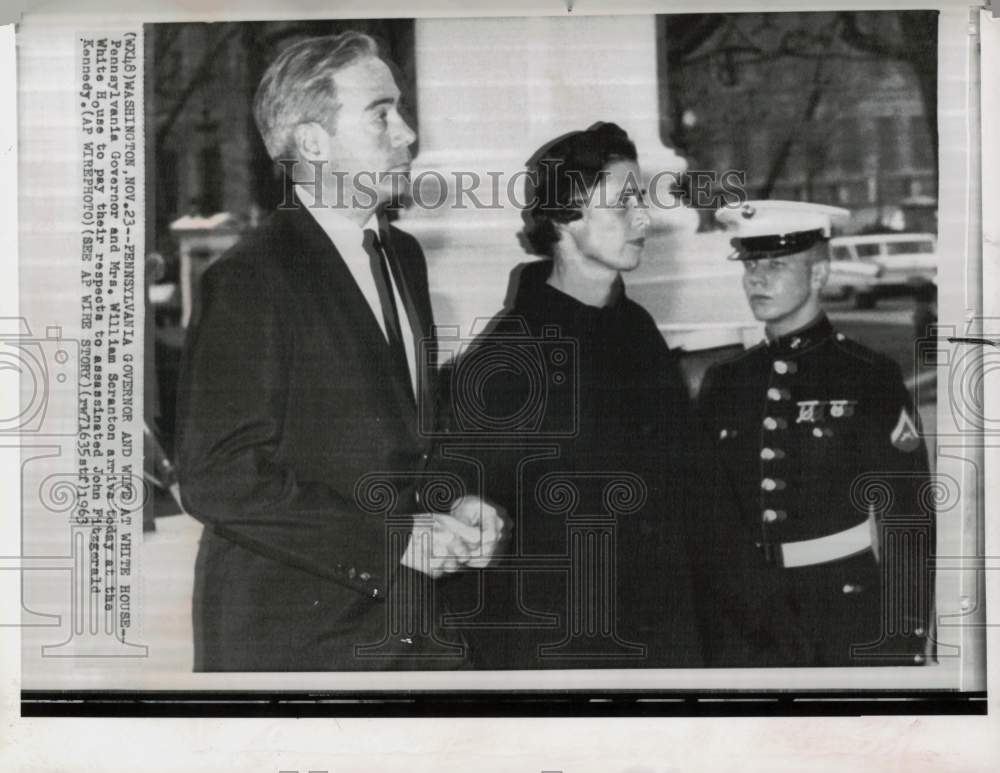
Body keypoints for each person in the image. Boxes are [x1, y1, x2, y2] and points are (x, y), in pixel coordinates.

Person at [175, 32, 504, 671]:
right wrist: (394, 540)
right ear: (312, 142)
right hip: (293, 640)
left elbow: (405, 436)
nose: (407, 133)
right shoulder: (249, 279)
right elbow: (218, 476)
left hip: (403, 626)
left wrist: (460, 502)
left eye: (401, 111)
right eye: (381, 114)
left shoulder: (400, 255)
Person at [439, 123, 703, 669]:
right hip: (561, 660)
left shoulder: (639, 330)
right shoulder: (505, 359)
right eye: (623, 202)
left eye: (643, 201)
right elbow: (469, 533)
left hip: (663, 649)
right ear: (565, 215)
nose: (644, 218)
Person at [697, 200, 934, 667]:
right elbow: (707, 516)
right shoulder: (725, 381)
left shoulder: (868, 377)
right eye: (750, 265)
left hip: (843, 613)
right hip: (747, 621)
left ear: (820, 275)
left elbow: (908, 519)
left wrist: (904, 637)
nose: (757, 279)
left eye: (776, 265)